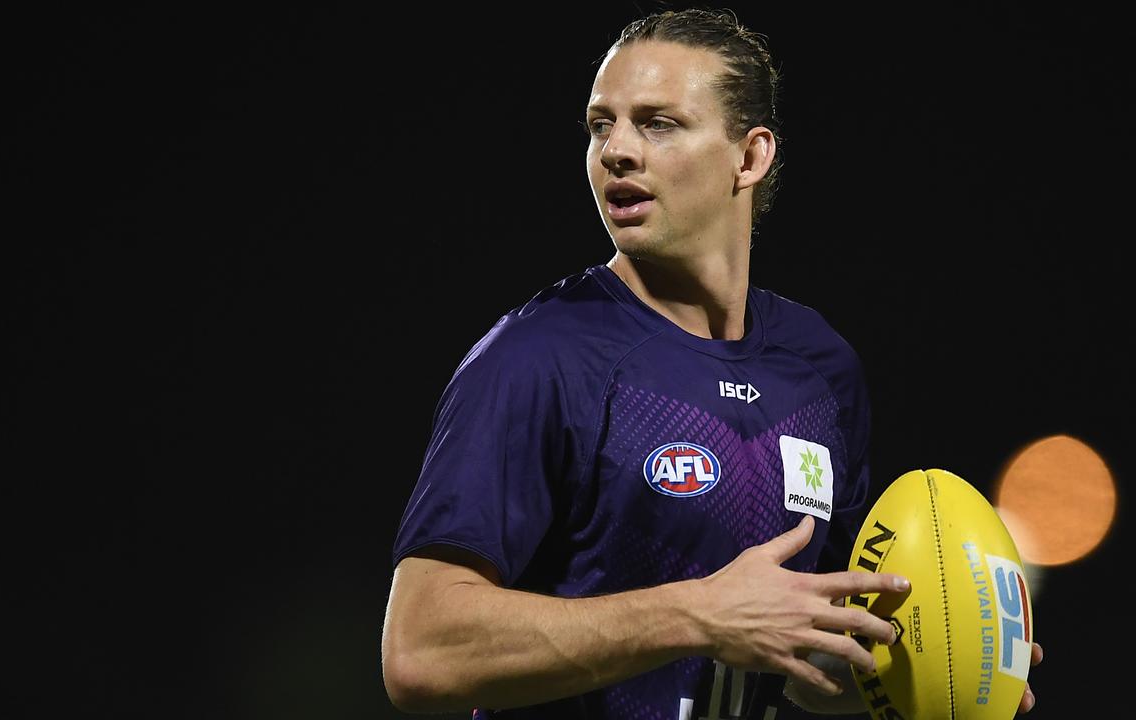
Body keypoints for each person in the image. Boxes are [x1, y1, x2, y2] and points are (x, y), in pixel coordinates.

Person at [381, 8, 1039, 718]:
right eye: (601, 125)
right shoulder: (537, 357)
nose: (616, 152)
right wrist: (699, 615)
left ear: (750, 157)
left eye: (658, 123)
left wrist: (935, 651)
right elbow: (421, 651)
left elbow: (805, 649)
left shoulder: (819, 368)